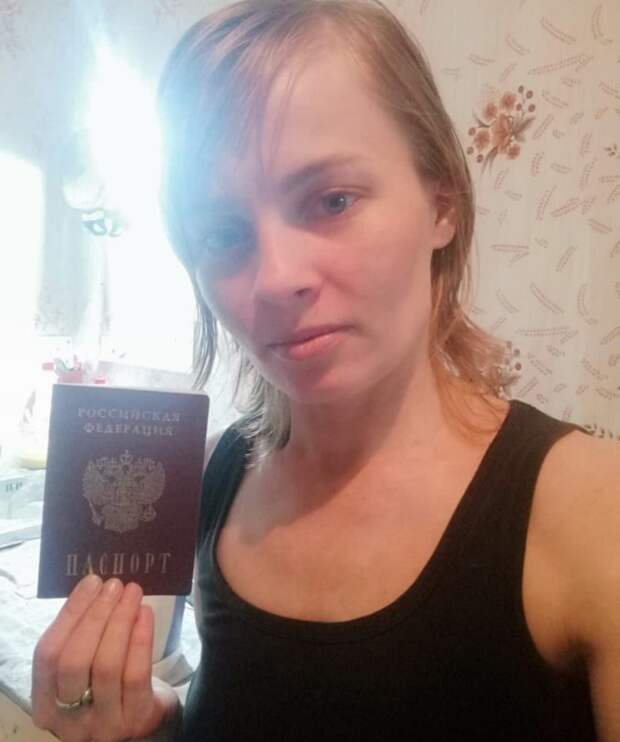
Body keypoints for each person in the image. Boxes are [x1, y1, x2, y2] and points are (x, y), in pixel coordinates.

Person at [32, 1, 620, 740]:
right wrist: (149, 725)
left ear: (441, 202)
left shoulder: (593, 512)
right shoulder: (218, 476)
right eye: (222, 233)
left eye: (332, 200)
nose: (277, 278)